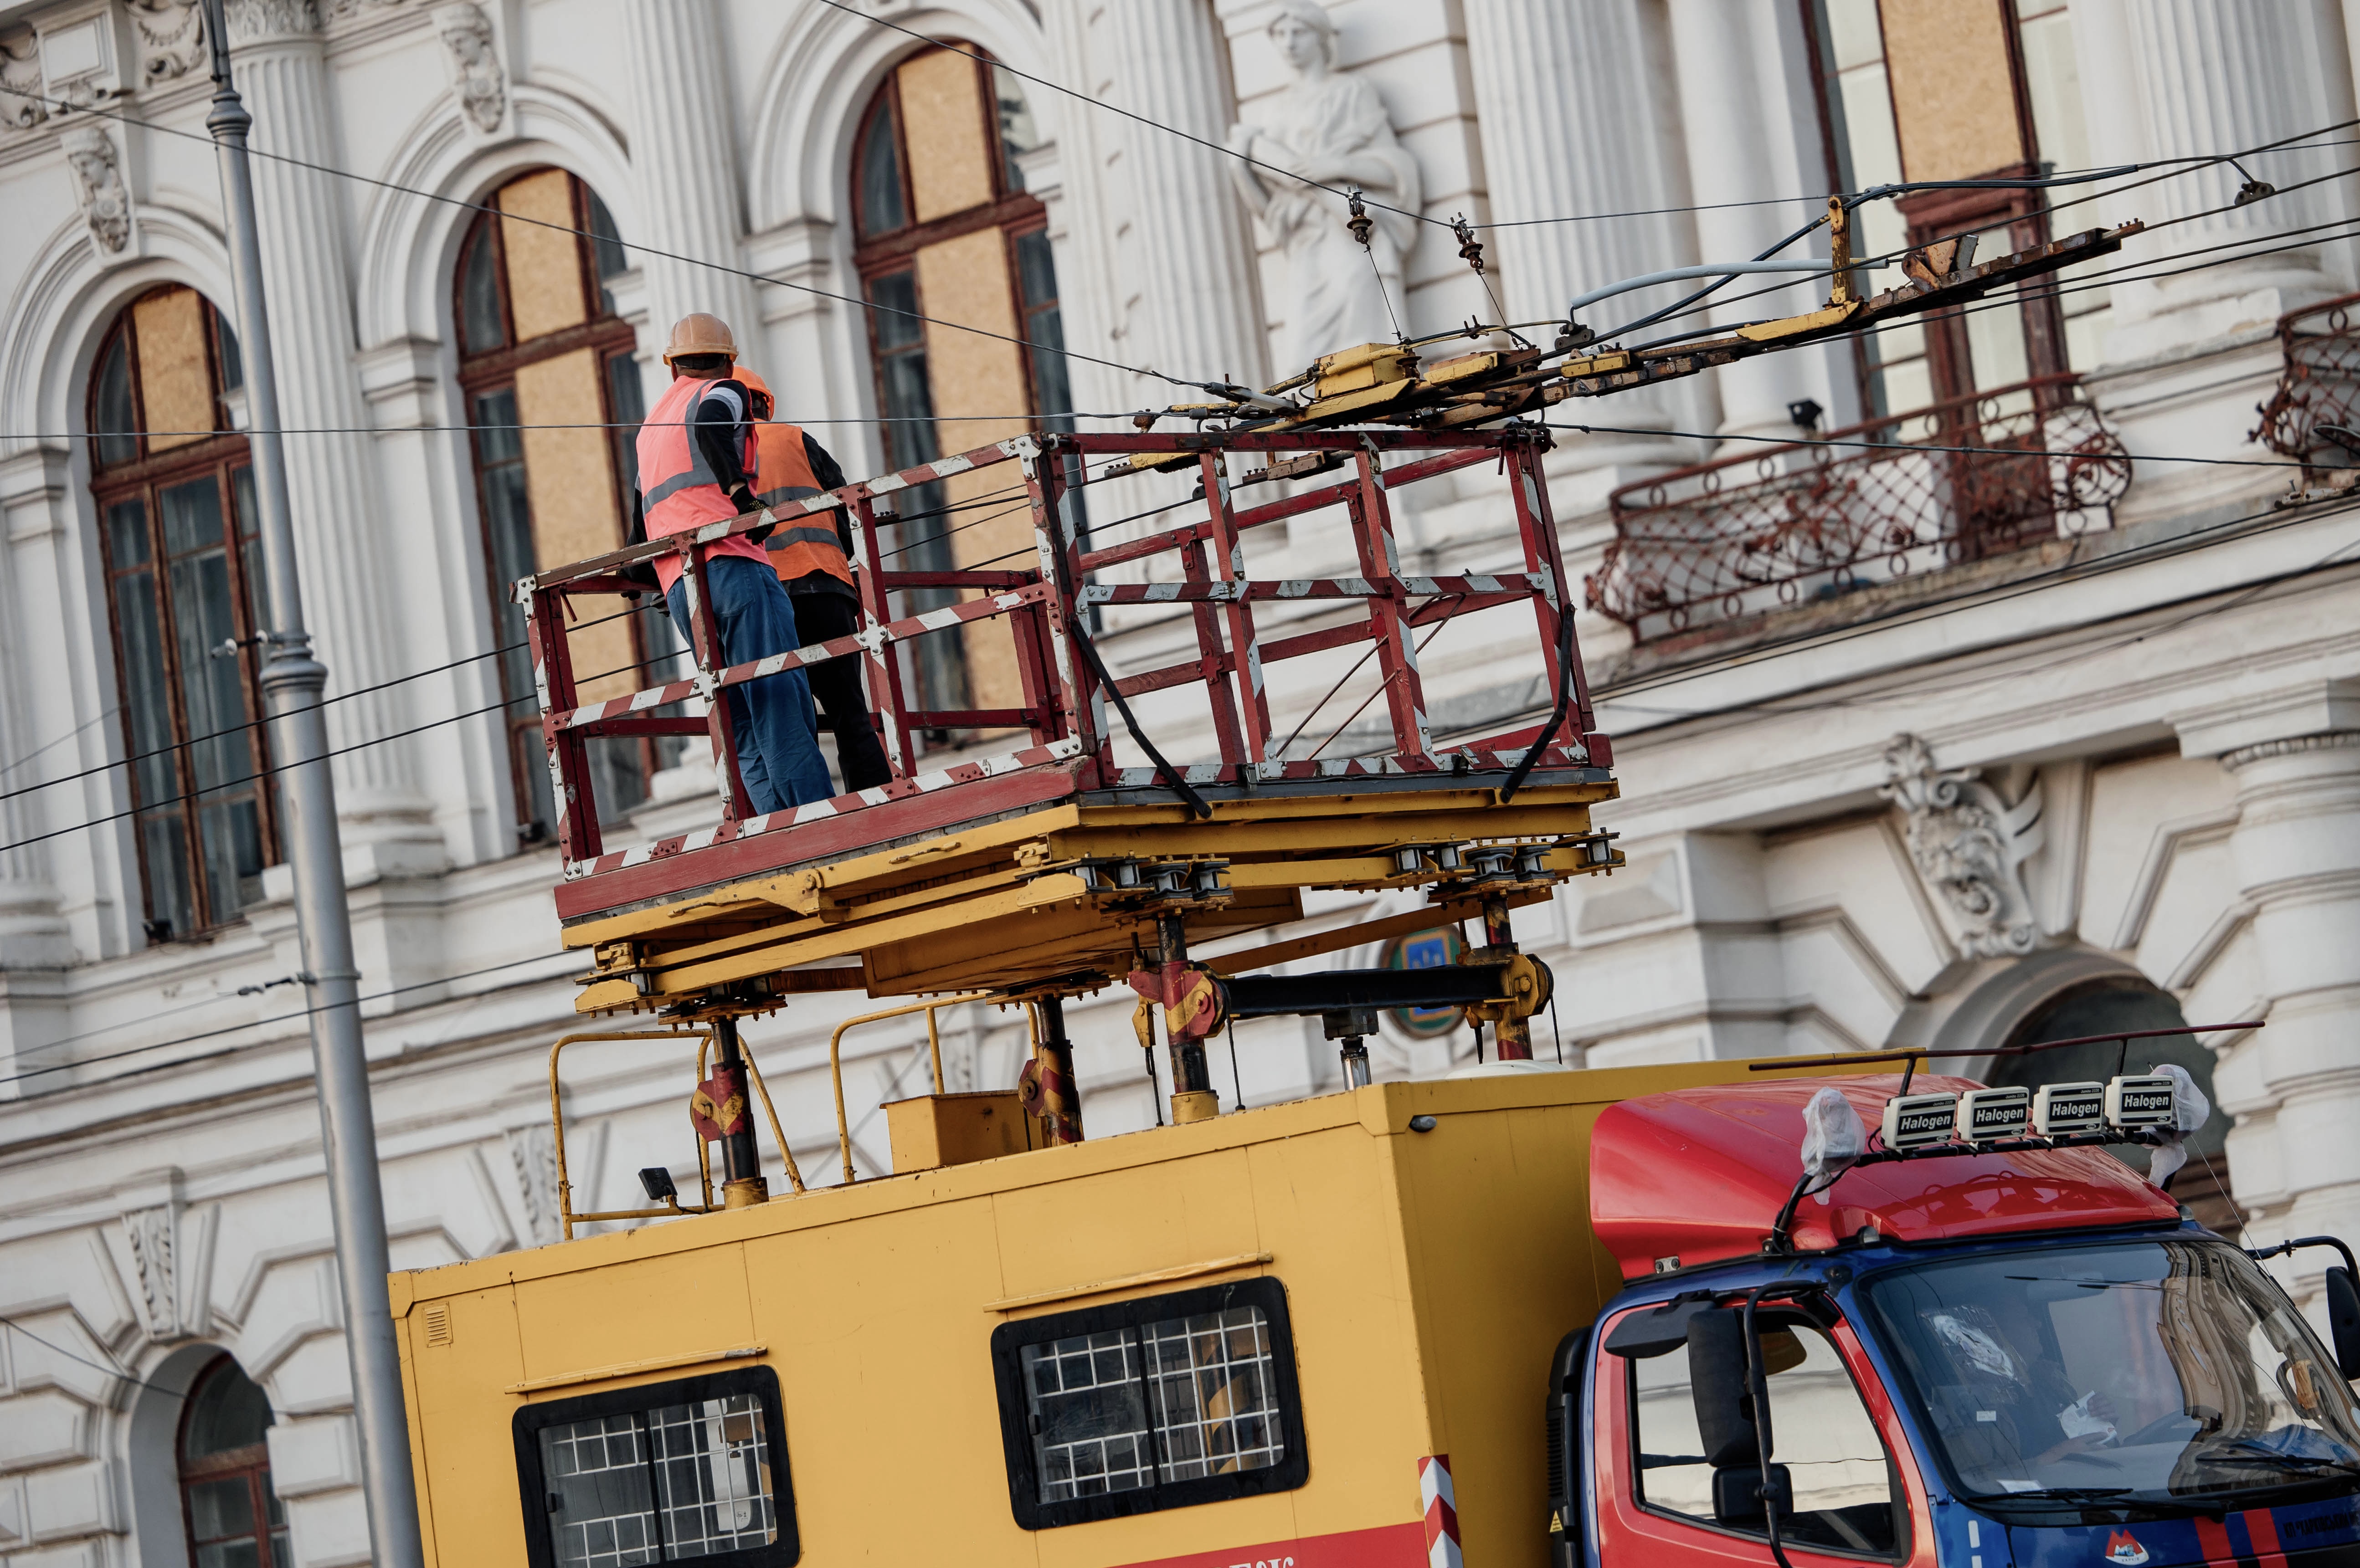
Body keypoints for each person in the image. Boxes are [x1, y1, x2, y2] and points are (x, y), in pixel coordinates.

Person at [628, 313, 834, 814]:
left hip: (682, 586)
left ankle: (775, 825)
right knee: (778, 695)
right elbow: (712, 427)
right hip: (734, 566)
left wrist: (644, 579)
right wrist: (743, 498)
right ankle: (814, 818)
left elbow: (639, 516)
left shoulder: (650, 426)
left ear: (673, 364)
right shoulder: (722, 390)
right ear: (728, 360)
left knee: (737, 712)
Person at [734, 367, 894, 792]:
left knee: (783, 719)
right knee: (849, 712)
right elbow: (845, 516)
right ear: (763, 403)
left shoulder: (712, 455)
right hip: (825, 588)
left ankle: (807, 813)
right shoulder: (794, 438)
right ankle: (874, 800)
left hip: (763, 598)